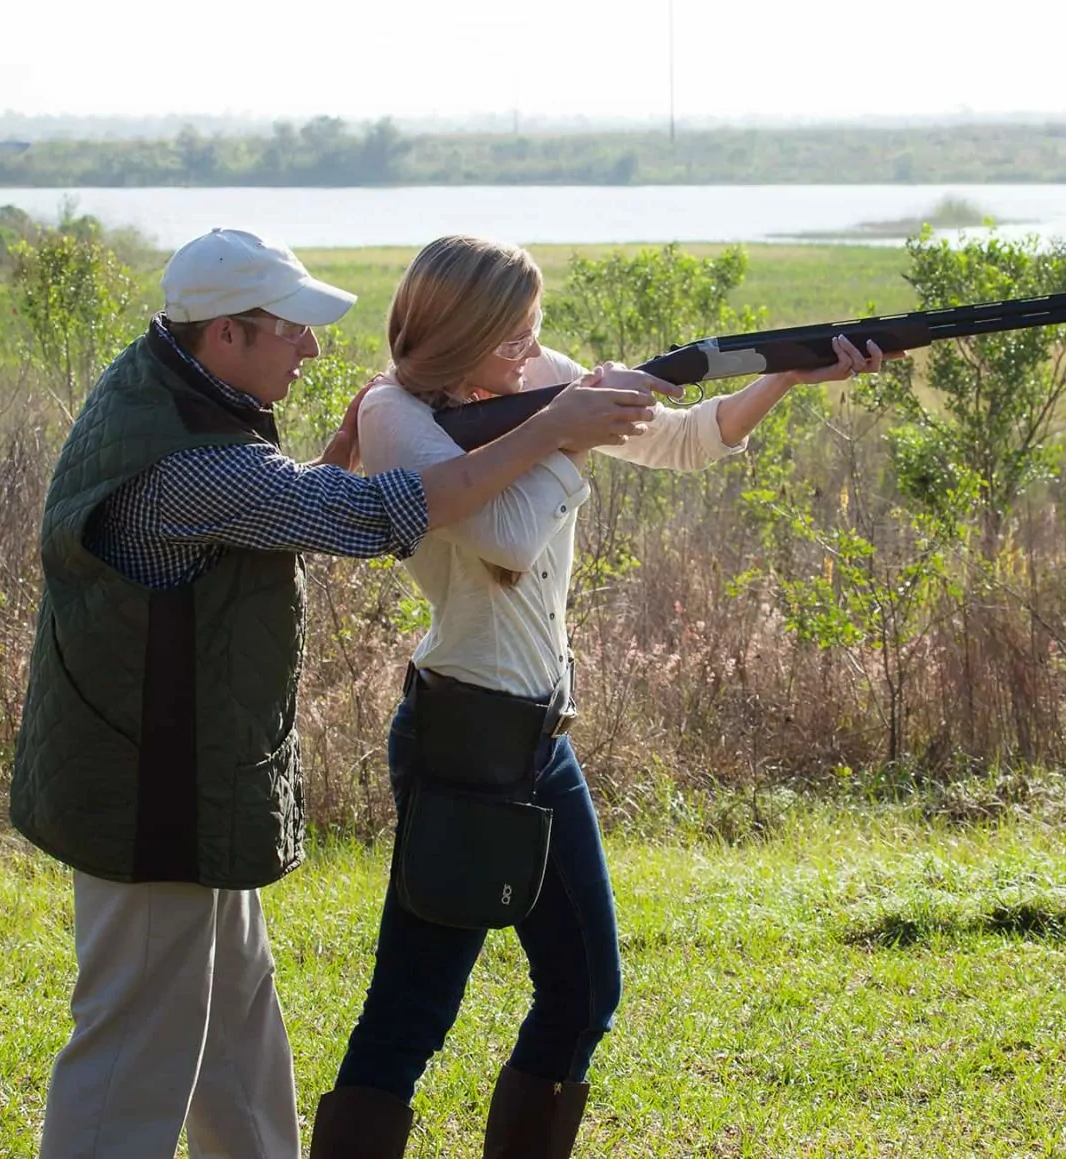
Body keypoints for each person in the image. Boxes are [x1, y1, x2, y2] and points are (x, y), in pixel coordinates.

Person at [8, 227, 662, 1159]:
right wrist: (552, 431)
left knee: (236, 1026)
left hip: (184, 783)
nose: (313, 347)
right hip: (150, 794)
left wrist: (335, 453)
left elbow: (260, 513)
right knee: (132, 1051)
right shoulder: (190, 461)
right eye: (291, 329)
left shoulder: (163, 391)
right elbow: (360, 517)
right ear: (225, 334)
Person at [312, 234, 888, 1158]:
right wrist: (564, 435)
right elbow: (502, 534)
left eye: (533, 329)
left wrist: (783, 375)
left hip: (539, 734)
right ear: (456, 330)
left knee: (585, 990)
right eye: (512, 335)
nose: (531, 350)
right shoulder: (393, 414)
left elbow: (688, 440)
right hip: (463, 731)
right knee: (413, 1012)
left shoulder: (542, 380)